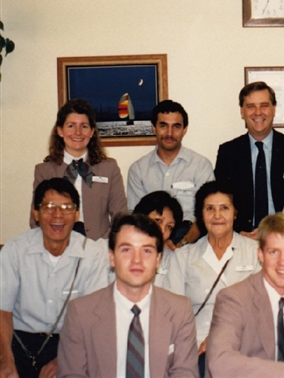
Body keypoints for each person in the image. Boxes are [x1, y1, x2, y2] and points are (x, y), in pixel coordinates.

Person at [57, 213, 199, 378]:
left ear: (158, 260)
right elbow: (72, 374)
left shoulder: (179, 310)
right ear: (112, 258)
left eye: (146, 251)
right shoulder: (80, 313)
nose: (136, 260)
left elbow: (185, 373)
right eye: (126, 250)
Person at [1, 178, 109, 378]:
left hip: (72, 343)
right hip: (17, 341)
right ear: (36, 212)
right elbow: (2, 311)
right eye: (49, 207)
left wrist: (65, 359)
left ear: (77, 214)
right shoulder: (15, 250)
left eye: (66, 207)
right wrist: (5, 360)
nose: (57, 215)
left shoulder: (92, 254)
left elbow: (95, 319)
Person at [162, 181, 261, 377]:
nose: (217, 216)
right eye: (209, 209)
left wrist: (220, 337)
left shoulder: (255, 253)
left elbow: (262, 308)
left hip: (244, 340)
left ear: (235, 213)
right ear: (201, 215)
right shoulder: (184, 257)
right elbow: (173, 313)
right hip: (194, 344)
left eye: (224, 208)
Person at [206, 213, 284, 378]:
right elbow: (220, 361)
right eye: (274, 252)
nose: (283, 262)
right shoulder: (233, 299)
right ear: (260, 254)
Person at [214, 81, 284, 237]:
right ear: (242, 112)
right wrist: (237, 233)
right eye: (251, 106)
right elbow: (221, 201)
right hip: (241, 237)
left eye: (264, 105)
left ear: (274, 109)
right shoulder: (228, 152)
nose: (258, 112)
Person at [31, 99, 127, 240]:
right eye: (71, 126)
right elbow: (37, 220)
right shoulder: (44, 171)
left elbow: (121, 216)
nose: (78, 132)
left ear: (92, 132)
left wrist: (101, 247)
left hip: (100, 249)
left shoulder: (109, 168)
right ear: (60, 131)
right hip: (58, 249)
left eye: (84, 126)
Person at [127, 99, 214, 248]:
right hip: (150, 245)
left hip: (192, 245)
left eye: (176, 127)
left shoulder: (200, 166)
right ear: (154, 128)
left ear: (185, 130)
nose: (169, 133)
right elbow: (137, 217)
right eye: (163, 126)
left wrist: (181, 242)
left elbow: (207, 214)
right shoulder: (138, 170)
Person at [133, 190, 183, 286]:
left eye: (169, 227)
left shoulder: (173, 260)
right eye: (158, 221)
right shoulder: (109, 251)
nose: (162, 230)